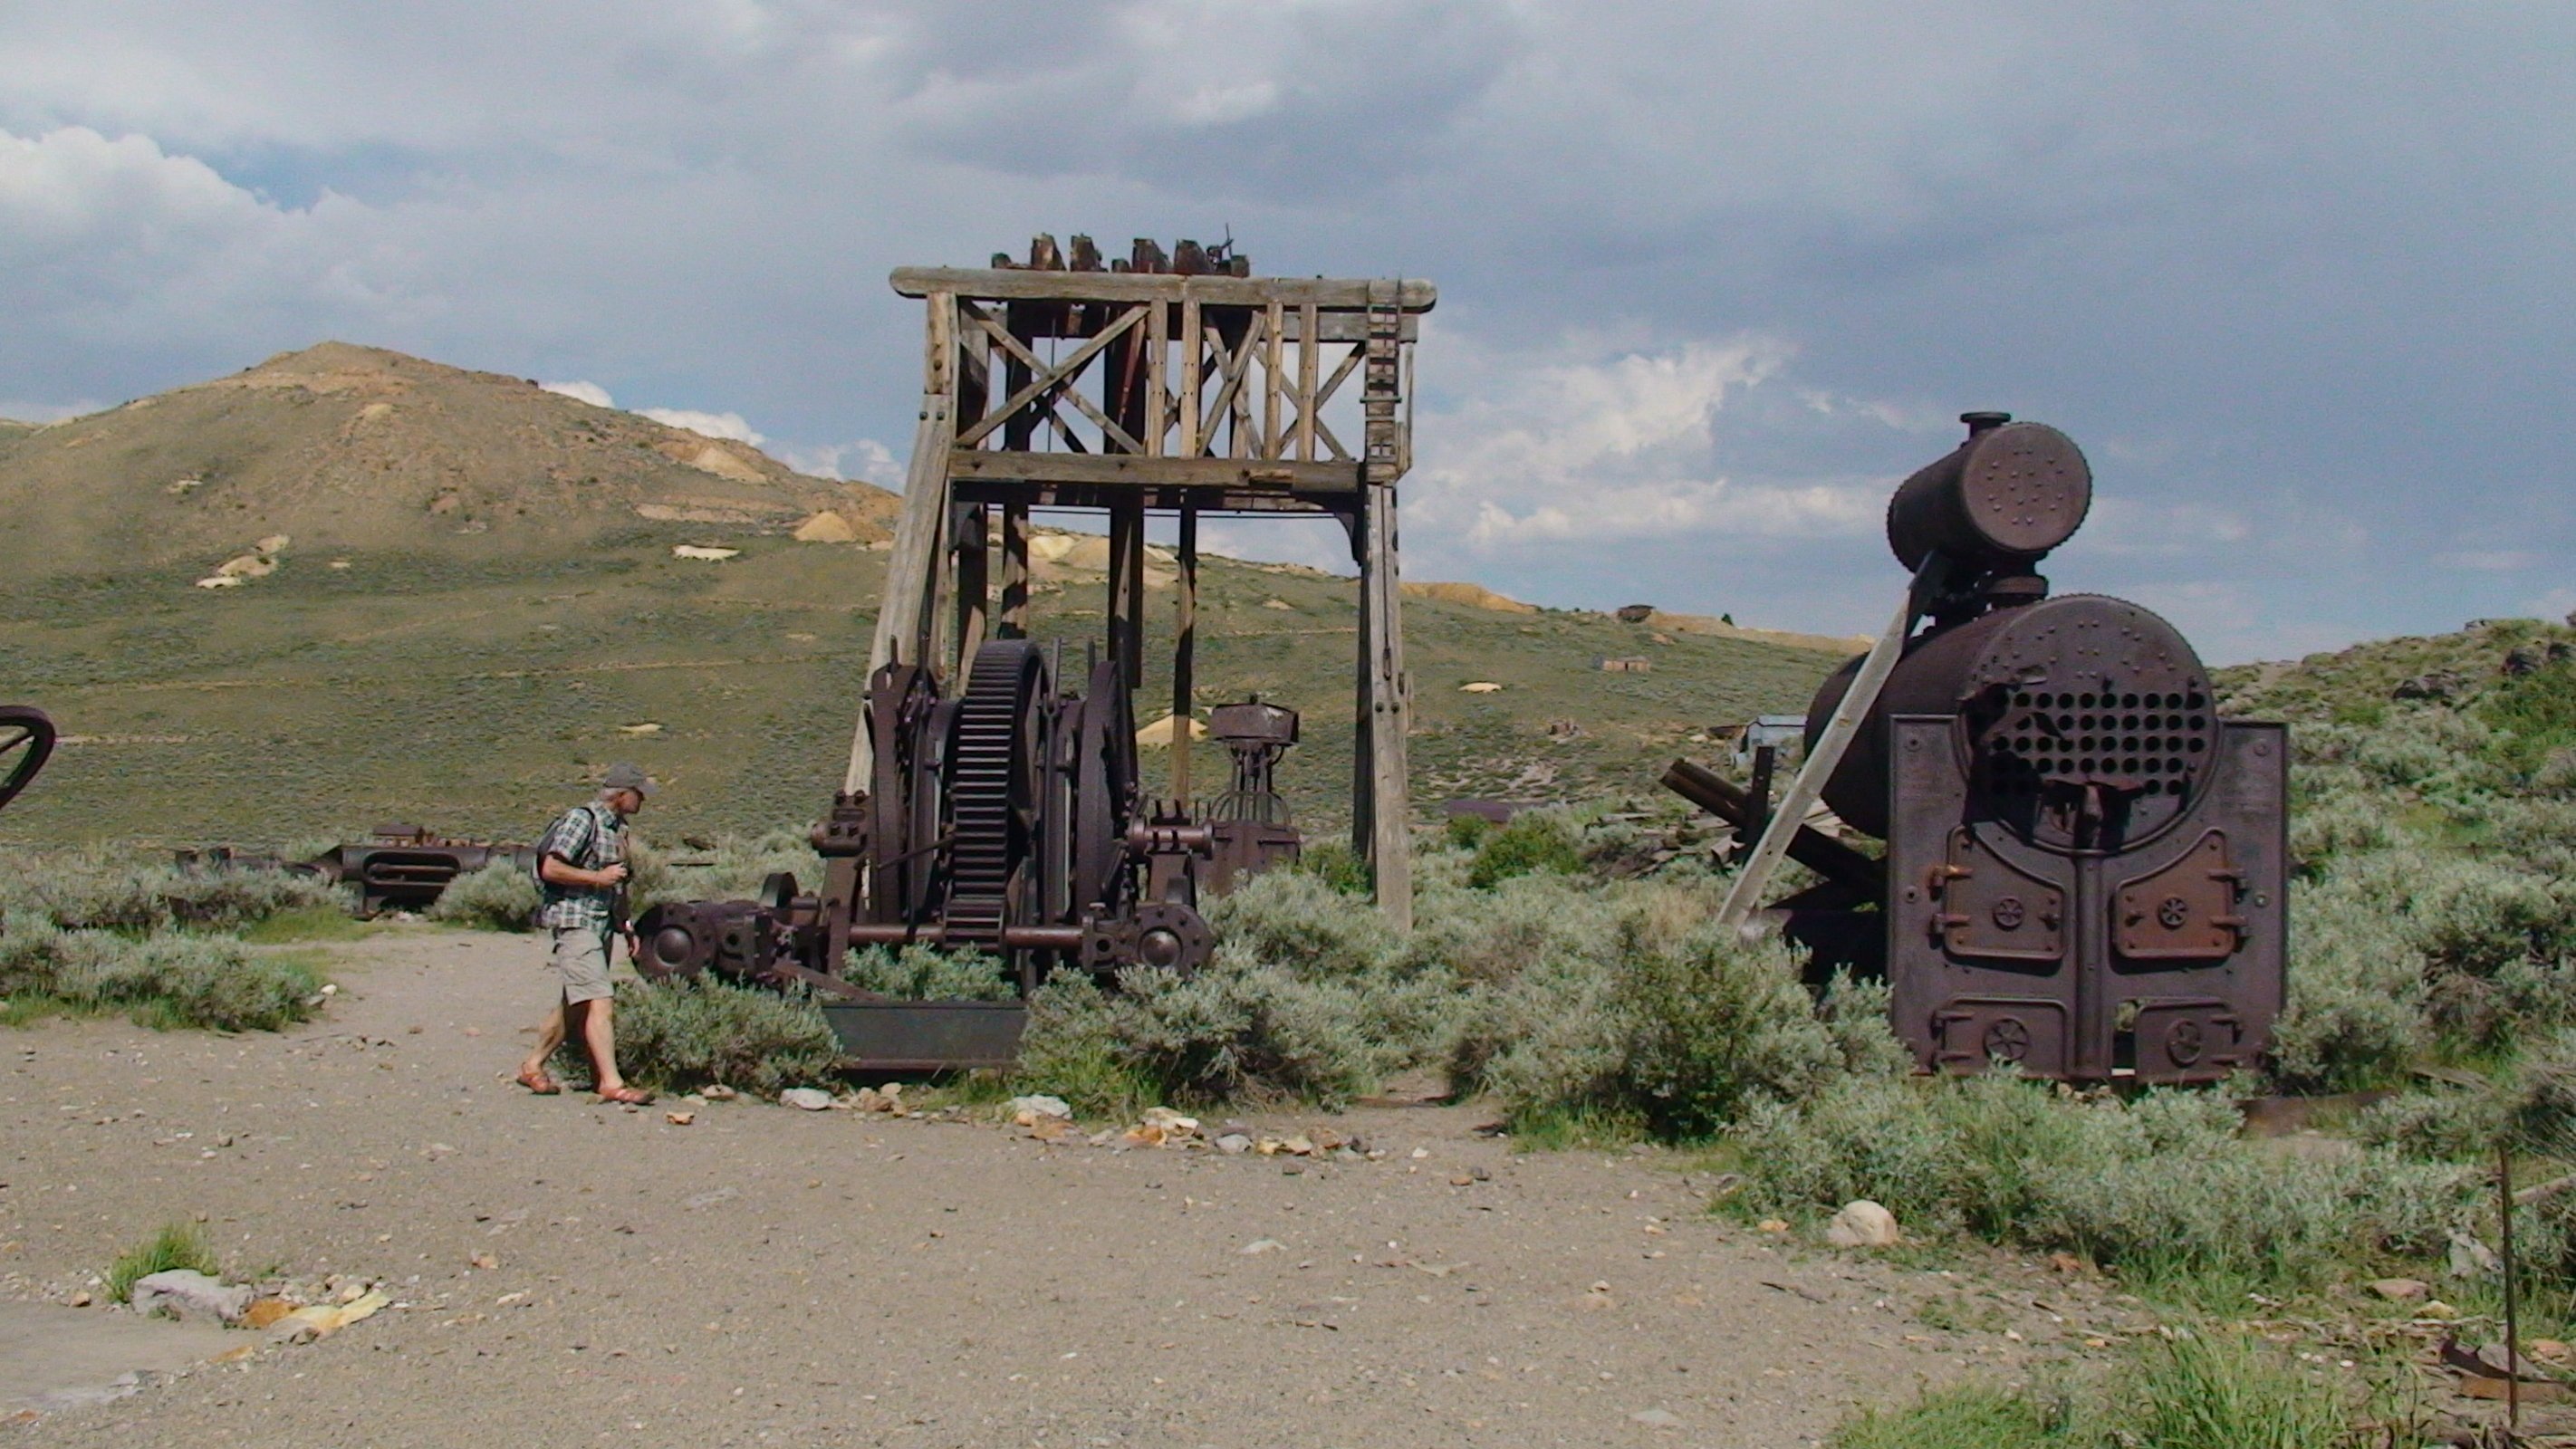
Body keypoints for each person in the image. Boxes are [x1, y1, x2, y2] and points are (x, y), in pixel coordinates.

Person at [515, 763, 655, 1104]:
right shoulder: (582, 819)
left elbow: (618, 883)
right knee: (599, 999)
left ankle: (532, 1066)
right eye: (639, 794)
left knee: (576, 1004)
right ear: (621, 794)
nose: (643, 801)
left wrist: (626, 925)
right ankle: (610, 1082)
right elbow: (551, 867)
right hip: (575, 920)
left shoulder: (618, 829)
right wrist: (596, 878)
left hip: (600, 924)